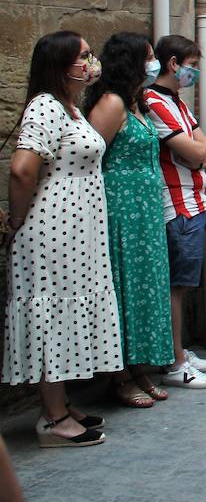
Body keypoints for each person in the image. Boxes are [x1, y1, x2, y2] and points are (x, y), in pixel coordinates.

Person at [3, 32, 121, 445]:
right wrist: (17, 220)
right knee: (52, 314)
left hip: (77, 232)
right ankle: (52, 419)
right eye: (83, 56)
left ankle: (61, 403)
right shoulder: (45, 107)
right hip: (53, 230)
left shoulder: (69, 108)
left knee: (67, 313)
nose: (91, 62)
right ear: (60, 65)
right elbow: (22, 169)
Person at [85, 32, 176, 406]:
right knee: (123, 288)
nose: (154, 62)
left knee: (142, 287)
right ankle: (119, 375)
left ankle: (139, 367)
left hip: (145, 215)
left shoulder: (137, 103)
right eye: (149, 56)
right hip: (121, 211)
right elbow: (91, 155)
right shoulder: (111, 104)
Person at [144, 35, 206, 388]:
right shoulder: (153, 101)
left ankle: (178, 350)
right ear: (173, 64)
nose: (196, 72)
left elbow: (204, 145)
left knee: (184, 285)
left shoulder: (178, 102)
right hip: (176, 204)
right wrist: (199, 150)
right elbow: (194, 152)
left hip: (195, 201)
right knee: (176, 287)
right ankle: (174, 362)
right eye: (192, 65)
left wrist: (200, 150)